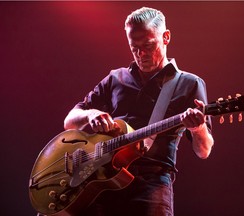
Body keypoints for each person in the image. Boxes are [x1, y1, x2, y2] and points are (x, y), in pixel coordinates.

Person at [64, 6, 214, 216]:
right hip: (101, 178)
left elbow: (204, 150)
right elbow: (70, 120)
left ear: (166, 37)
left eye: (148, 45)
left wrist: (198, 129)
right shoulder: (116, 78)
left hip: (151, 183)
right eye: (134, 48)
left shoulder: (189, 84)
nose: (141, 54)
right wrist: (91, 115)